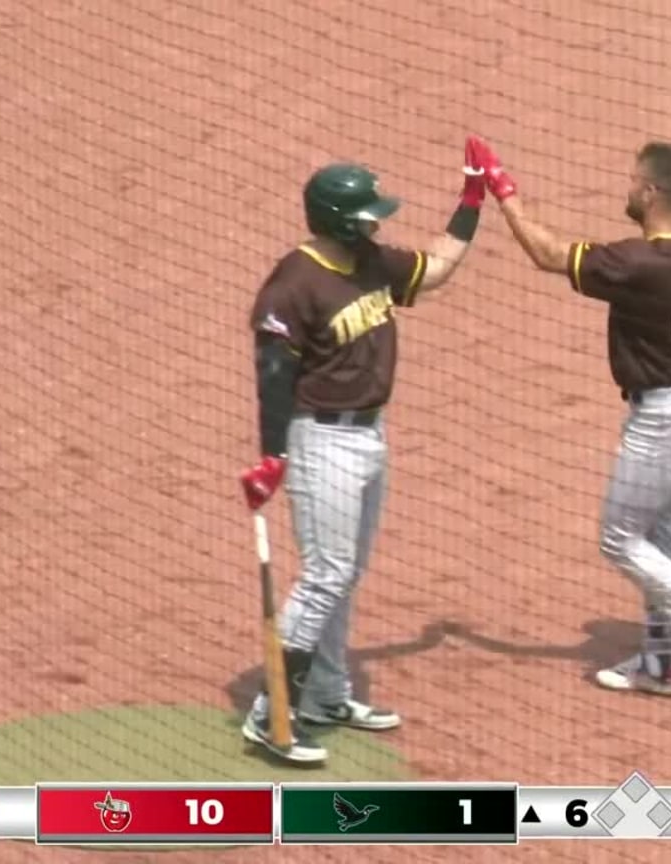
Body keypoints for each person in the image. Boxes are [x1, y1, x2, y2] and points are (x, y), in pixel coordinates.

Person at [237, 136, 499, 763]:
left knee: (344, 574)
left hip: (369, 436)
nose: (378, 220)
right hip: (320, 437)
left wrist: (471, 200)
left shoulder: (372, 263)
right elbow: (273, 374)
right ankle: (271, 714)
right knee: (326, 573)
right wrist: (273, 457)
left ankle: (326, 694)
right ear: (338, 219)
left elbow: (435, 269)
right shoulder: (294, 283)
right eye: (369, 213)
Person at [487, 140, 671, 694]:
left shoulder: (636, 264)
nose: (628, 187)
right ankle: (660, 661)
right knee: (657, 533)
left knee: (618, 537)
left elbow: (547, 254)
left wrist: (503, 192)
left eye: (634, 180)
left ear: (653, 192)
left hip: (665, 418)